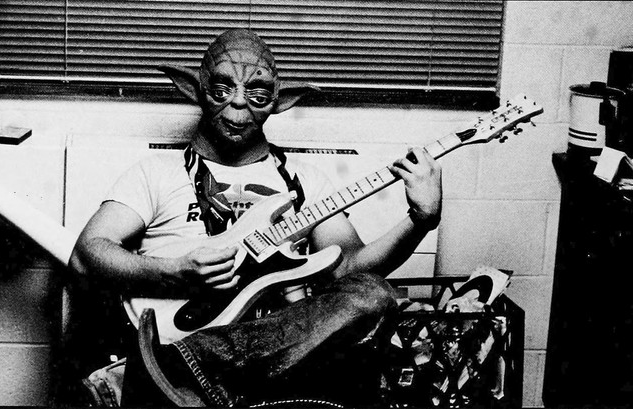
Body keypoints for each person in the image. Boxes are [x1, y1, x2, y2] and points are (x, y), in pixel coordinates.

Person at [70, 28, 442, 407]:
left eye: (257, 95)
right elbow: (87, 254)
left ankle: (175, 368)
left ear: (279, 102)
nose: (237, 105)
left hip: (276, 353)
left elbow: (347, 268)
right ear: (195, 89)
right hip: (178, 325)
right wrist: (175, 270)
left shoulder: (305, 181)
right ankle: (188, 369)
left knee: (374, 295)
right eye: (221, 90)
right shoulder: (155, 173)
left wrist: (419, 221)